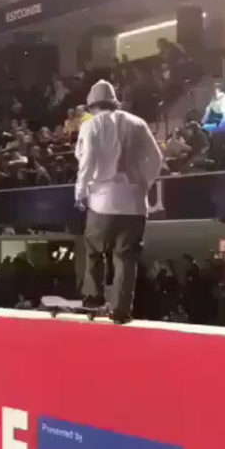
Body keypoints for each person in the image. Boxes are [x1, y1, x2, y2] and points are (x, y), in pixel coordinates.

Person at [75, 79, 163, 323]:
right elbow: (157, 158)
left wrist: (80, 192)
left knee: (94, 249)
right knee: (126, 257)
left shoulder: (91, 125)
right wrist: (144, 184)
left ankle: (93, 297)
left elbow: (87, 160)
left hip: (102, 200)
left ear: (92, 105)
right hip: (135, 203)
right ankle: (121, 310)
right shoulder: (138, 123)